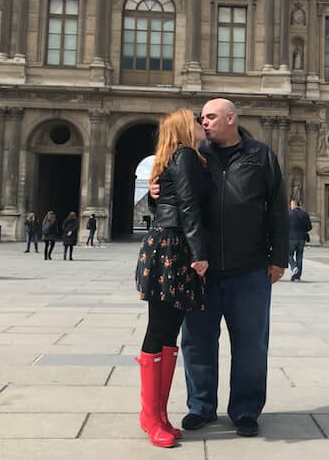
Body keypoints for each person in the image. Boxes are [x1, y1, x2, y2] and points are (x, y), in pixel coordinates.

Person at [151, 98, 288, 439]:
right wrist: (155, 195)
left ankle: (245, 410)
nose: (204, 122)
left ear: (231, 118)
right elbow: (176, 197)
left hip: (251, 266)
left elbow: (277, 210)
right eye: (202, 118)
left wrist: (279, 258)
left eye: (210, 117)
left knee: (251, 345)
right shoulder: (196, 155)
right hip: (201, 269)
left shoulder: (261, 155)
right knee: (196, 342)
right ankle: (201, 406)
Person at [136, 108, 209, 448]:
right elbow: (189, 206)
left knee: (168, 333)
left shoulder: (175, 158)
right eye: (197, 120)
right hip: (175, 247)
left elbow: (165, 201)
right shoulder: (185, 157)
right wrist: (199, 254)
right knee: (160, 329)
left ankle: (159, 414)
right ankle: (151, 416)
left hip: (169, 244)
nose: (202, 124)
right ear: (184, 127)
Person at [288, 198, 312, 281]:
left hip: (291, 238)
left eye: (291, 204)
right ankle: (297, 276)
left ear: (294, 204)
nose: (290, 206)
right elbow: (309, 227)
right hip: (302, 239)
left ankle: (294, 267)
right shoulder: (305, 214)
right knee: (299, 257)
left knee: (288, 254)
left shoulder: (289, 214)